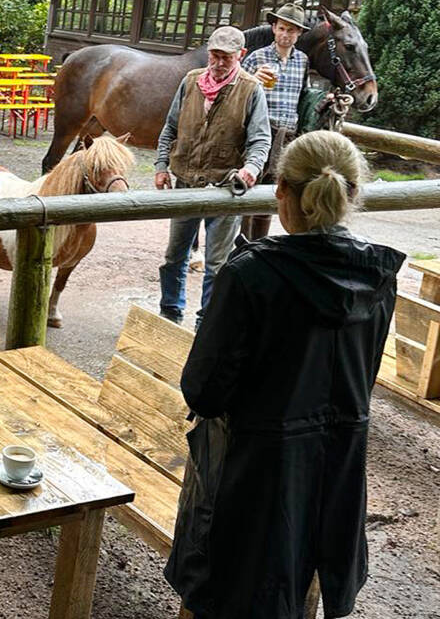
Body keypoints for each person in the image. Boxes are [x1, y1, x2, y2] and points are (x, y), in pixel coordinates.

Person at [164, 131, 405, 619]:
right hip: (335, 481)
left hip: (252, 481)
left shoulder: (251, 275)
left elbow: (204, 393)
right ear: (352, 194)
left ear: (281, 192)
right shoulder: (379, 276)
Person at [154, 25, 271, 326]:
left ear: (241, 55)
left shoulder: (251, 89)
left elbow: (260, 139)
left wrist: (251, 168)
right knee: (174, 256)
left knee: (217, 264)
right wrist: (161, 166)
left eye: (226, 58)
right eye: (214, 56)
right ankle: (170, 312)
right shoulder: (190, 82)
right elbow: (170, 127)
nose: (218, 63)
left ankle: (207, 323)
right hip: (187, 185)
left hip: (225, 189)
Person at [240, 2, 310, 239]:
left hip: (287, 134)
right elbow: (235, 92)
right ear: (273, 28)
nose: (285, 34)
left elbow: (304, 95)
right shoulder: (256, 57)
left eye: (291, 30)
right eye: (281, 28)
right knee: (248, 188)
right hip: (259, 131)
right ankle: (242, 245)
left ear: (299, 34)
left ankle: (260, 245)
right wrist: (252, 79)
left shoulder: (302, 61)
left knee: (273, 194)